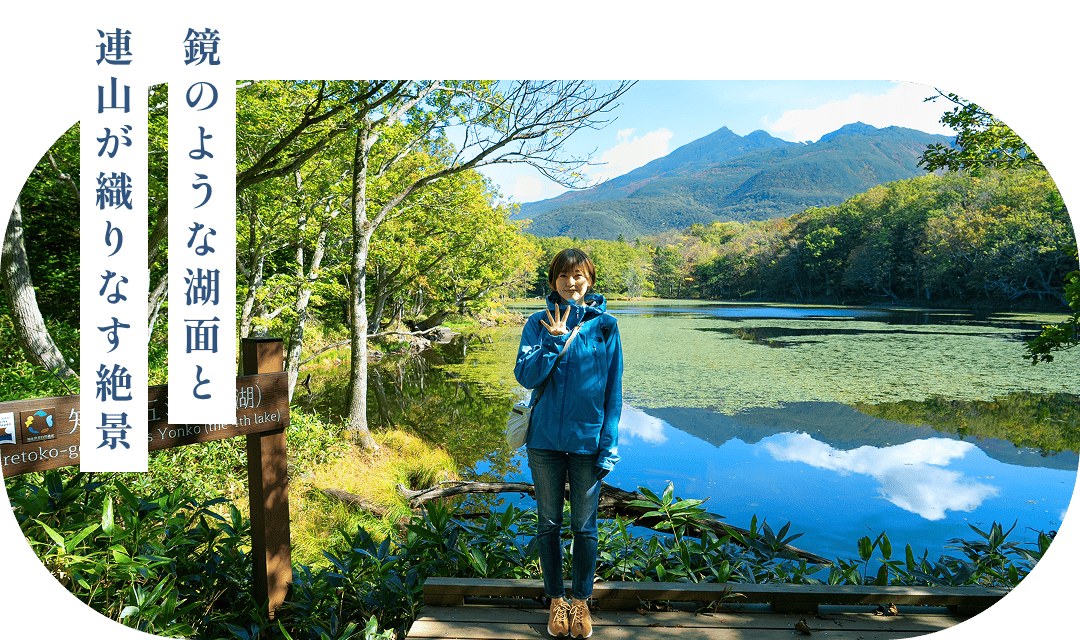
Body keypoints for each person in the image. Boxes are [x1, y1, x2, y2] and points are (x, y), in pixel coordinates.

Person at [514, 248, 623, 639]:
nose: (570, 282)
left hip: (587, 442)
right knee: (548, 525)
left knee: (584, 527)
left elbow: (614, 392)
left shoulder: (607, 326)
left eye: (578, 275)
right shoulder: (537, 322)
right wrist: (553, 342)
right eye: (563, 275)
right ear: (553, 281)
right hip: (543, 442)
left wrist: (608, 444)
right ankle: (556, 602)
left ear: (589, 280)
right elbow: (525, 377)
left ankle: (580, 603)